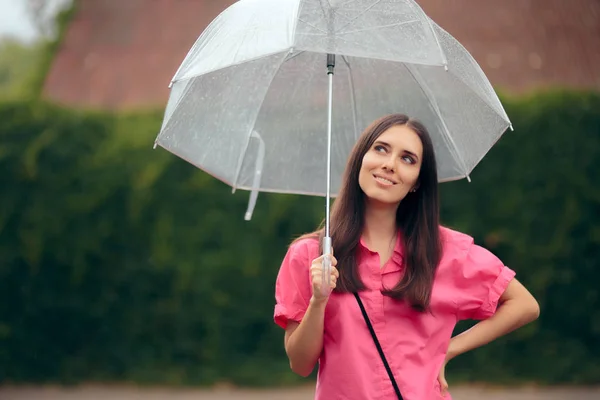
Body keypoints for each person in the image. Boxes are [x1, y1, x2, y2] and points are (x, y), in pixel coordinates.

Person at [273, 114, 540, 400]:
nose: (390, 164)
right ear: (360, 159)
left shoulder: (445, 250)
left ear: (416, 182)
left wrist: (447, 350)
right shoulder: (311, 256)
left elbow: (524, 305)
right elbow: (300, 363)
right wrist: (319, 300)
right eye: (381, 149)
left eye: (408, 159)